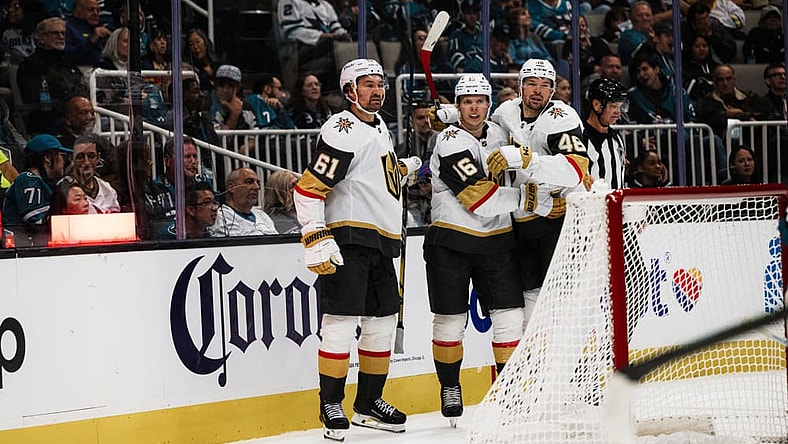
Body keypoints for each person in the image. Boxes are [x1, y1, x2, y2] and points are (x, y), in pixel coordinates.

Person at [292, 59, 419, 441]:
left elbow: (368, 175)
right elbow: (309, 187)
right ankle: (330, 401)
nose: (377, 90)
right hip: (350, 238)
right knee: (340, 324)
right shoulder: (342, 129)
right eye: (367, 84)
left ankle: (368, 403)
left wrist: (403, 169)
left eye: (380, 83)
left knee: (380, 326)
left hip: (381, 241)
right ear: (350, 92)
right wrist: (315, 233)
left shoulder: (377, 125)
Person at [425, 74, 528, 425]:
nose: (474, 107)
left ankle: (510, 389)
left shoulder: (499, 132)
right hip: (452, 240)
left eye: (480, 100)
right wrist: (527, 199)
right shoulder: (449, 141)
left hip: (498, 240)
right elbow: (478, 198)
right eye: (466, 101)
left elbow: (520, 109)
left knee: (510, 317)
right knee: (451, 321)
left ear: (488, 104)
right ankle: (451, 387)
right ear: (458, 105)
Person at [490, 58, 589, 331]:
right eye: (532, 83)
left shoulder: (561, 117)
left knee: (561, 295)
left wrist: (526, 160)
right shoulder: (505, 112)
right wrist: (453, 121)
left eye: (545, 85)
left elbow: (575, 170)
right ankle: (537, 356)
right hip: (521, 220)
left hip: (556, 220)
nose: (538, 90)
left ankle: (566, 359)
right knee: (529, 295)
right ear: (520, 86)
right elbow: (487, 141)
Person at [17, 16, 88, 134]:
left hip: (77, 118)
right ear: (42, 38)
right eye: (55, 33)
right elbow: (34, 97)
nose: (60, 37)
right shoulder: (31, 65)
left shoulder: (68, 63)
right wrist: (69, 107)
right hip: (50, 122)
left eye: (62, 33)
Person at [277, 0, 350, 95]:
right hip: (301, 48)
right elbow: (292, 31)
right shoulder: (289, 2)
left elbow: (336, 27)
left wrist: (344, 35)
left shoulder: (325, 4)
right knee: (333, 49)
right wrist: (322, 36)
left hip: (326, 45)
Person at [146, 136, 210, 237]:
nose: (193, 161)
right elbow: (152, 227)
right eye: (187, 157)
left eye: (195, 156)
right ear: (167, 160)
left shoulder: (203, 185)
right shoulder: (154, 188)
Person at [2, 134, 71, 227]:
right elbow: (36, 223)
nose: (64, 161)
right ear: (47, 158)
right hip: (22, 239)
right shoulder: (27, 180)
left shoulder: (46, 182)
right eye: (62, 155)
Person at [583, 78, 628, 189]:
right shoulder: (580, 138)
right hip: (588, 204)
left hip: (615, 203)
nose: (618, 112)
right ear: (597, 105)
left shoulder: (617, 138)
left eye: (620, 106)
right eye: (613, 106)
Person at [694, 64, 758, 140]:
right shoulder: (706, 101)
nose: (725, 83)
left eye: (729, 79)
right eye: (720, 80)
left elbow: (761, 114)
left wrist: (741, 114)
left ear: (734, 80)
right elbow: (715, 119)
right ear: (715, 82)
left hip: (749, 141)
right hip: (720, 143)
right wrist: (745, 116)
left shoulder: (748, 96)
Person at [210, 167, 277, 237]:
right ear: (231, 187)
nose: (256, 187)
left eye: (258, 183)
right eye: (249, 182)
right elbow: (238, 245)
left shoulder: (262, 215)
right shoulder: (222, 217)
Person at [65, 134, 118, 214]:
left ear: (98, 158)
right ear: (71, 159)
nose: (86, 162)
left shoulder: (107, 189)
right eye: (80, 157)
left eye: (91, 156)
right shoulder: (64, 189)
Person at [208, 64, 256, 131]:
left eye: (230, 86)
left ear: (238, 88)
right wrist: (234, 116)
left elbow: (254, 136)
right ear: (215, 85)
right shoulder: (207, 105)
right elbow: (216, 139)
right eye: (221, 85)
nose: (225, 90)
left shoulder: (246, 107)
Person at [65, 0, 111, 66]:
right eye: (90, 9)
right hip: (78, 69)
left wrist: (112, 37)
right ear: (76, 12)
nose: (95, 14)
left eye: (98, 10)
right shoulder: (68, 29)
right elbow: (67, 56)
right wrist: (91, 41)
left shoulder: (101, 28)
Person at [0, 0, 44, 64]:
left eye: (16, 6)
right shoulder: (3, 30)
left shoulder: (41, 29)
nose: (11, 10)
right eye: (9, 7)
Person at [448, 1, 482, 73]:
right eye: (469, 13)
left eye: (474, 13)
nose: (472, 16)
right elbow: (455, 58)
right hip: (467, 75)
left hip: (486, 73)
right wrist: (474, 66)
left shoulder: (483, 35)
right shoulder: (456, 36)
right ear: (463, 15)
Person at [263, 169, 301, 234]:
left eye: (298, 182)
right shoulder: (276, 219)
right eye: (293, 185)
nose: (300, 187)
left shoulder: (303, 211)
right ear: (280, 193)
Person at [682, 34, 718, 102]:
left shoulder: (717, 67)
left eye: (704, 46)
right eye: (697, 46)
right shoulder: (685, 69)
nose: (701, 49)